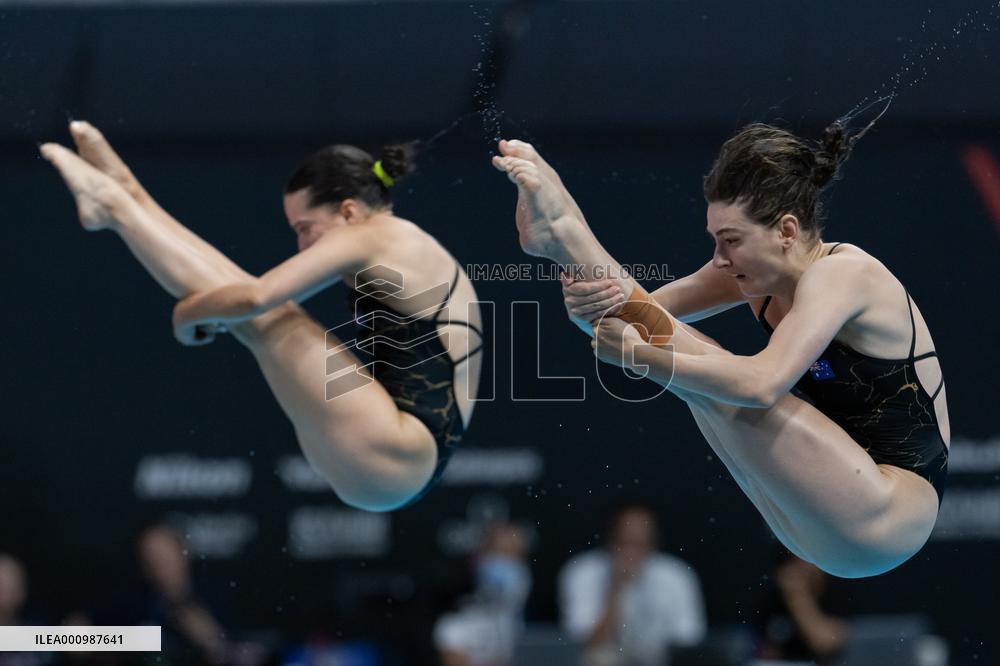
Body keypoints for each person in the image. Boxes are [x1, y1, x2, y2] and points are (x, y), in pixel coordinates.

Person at [492, 120, 949, 578]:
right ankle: (561, 240)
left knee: (714, 378)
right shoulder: (751, 274)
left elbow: (760, 385)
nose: (718, 259)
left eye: (731, 240)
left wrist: (639, 357)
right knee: (685, 355)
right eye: (715, 240)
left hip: (885, 517)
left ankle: (567, 232)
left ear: (787, 231)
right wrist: (587, 308)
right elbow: (641, 316)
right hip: (819, 511)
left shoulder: (844, 275)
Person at [40, 121, 483, 511]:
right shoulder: (403, 240)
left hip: (397, 451)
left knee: (267, 318)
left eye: (304, 230)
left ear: (348, 210)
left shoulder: (373, 235)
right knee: (261, 317)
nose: (303, 246)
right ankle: (128, 198)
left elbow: (256, 297)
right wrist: (201, 311)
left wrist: (186, 313)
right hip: (404, 454)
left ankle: (118, 208)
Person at [558, 504, 706, 666]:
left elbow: (688, 642)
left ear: (653, 542)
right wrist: (616, 588)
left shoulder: (676, 575)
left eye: (640, 544)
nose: (631, 553)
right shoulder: (583, 571)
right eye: (624, 543)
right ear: (611, 539)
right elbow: (581, 644)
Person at [434, 522, 532, 666]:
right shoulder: (454, 624)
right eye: (498, 552)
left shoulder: (517, 632)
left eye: (512, 555)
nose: (503, 563)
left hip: (509, 632)